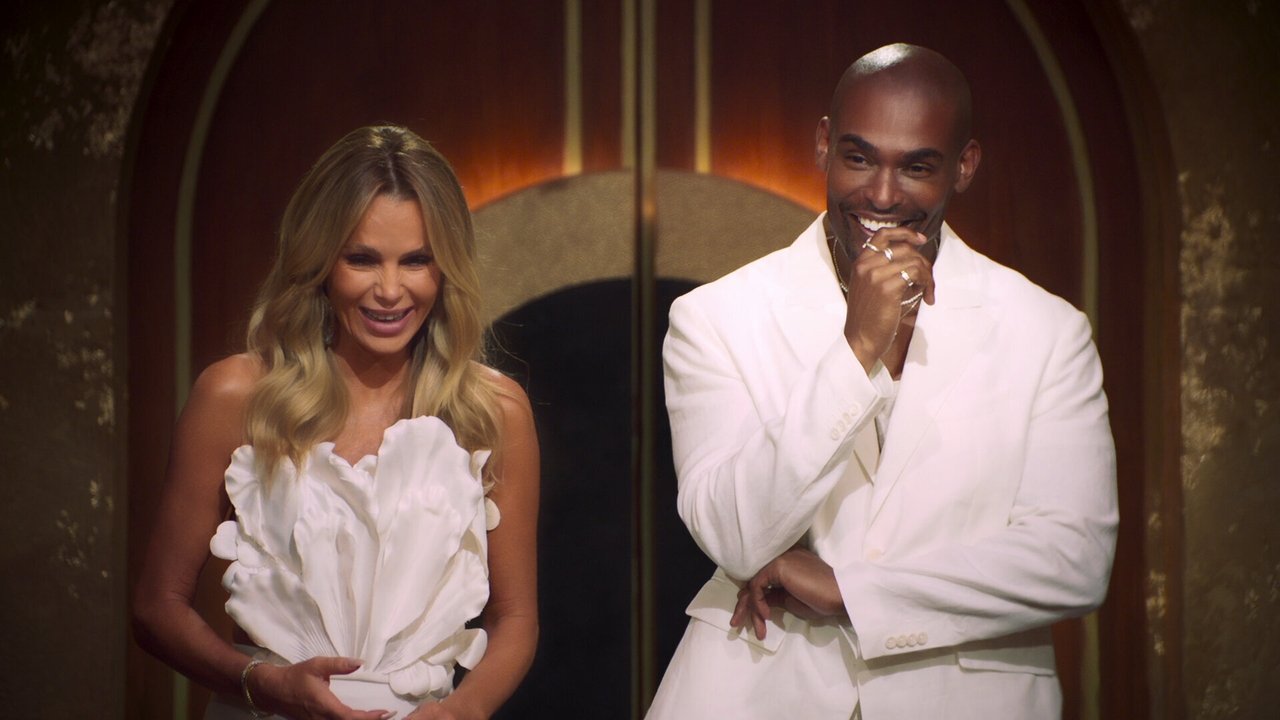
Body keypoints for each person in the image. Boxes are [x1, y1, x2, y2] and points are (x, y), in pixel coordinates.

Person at [647, 43, 1117, 719]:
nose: (883, 194)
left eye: (917, 167)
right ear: (823, 144)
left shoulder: (1047, 332)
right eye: (860, 158)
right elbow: (736, 534)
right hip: (755, 692)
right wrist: (856, 351)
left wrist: (854, 590)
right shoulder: (716, 317)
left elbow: (1074, 559)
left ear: (964, 166)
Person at [134, 125, 539, 720]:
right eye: (362, 259)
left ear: (446, 267)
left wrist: (461, 711)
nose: (390, 290)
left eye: (417, 260)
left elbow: (517, 618)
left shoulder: (492, 411)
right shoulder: (235, 396)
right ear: (322, 261)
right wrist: (262, 683)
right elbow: (157, 607)